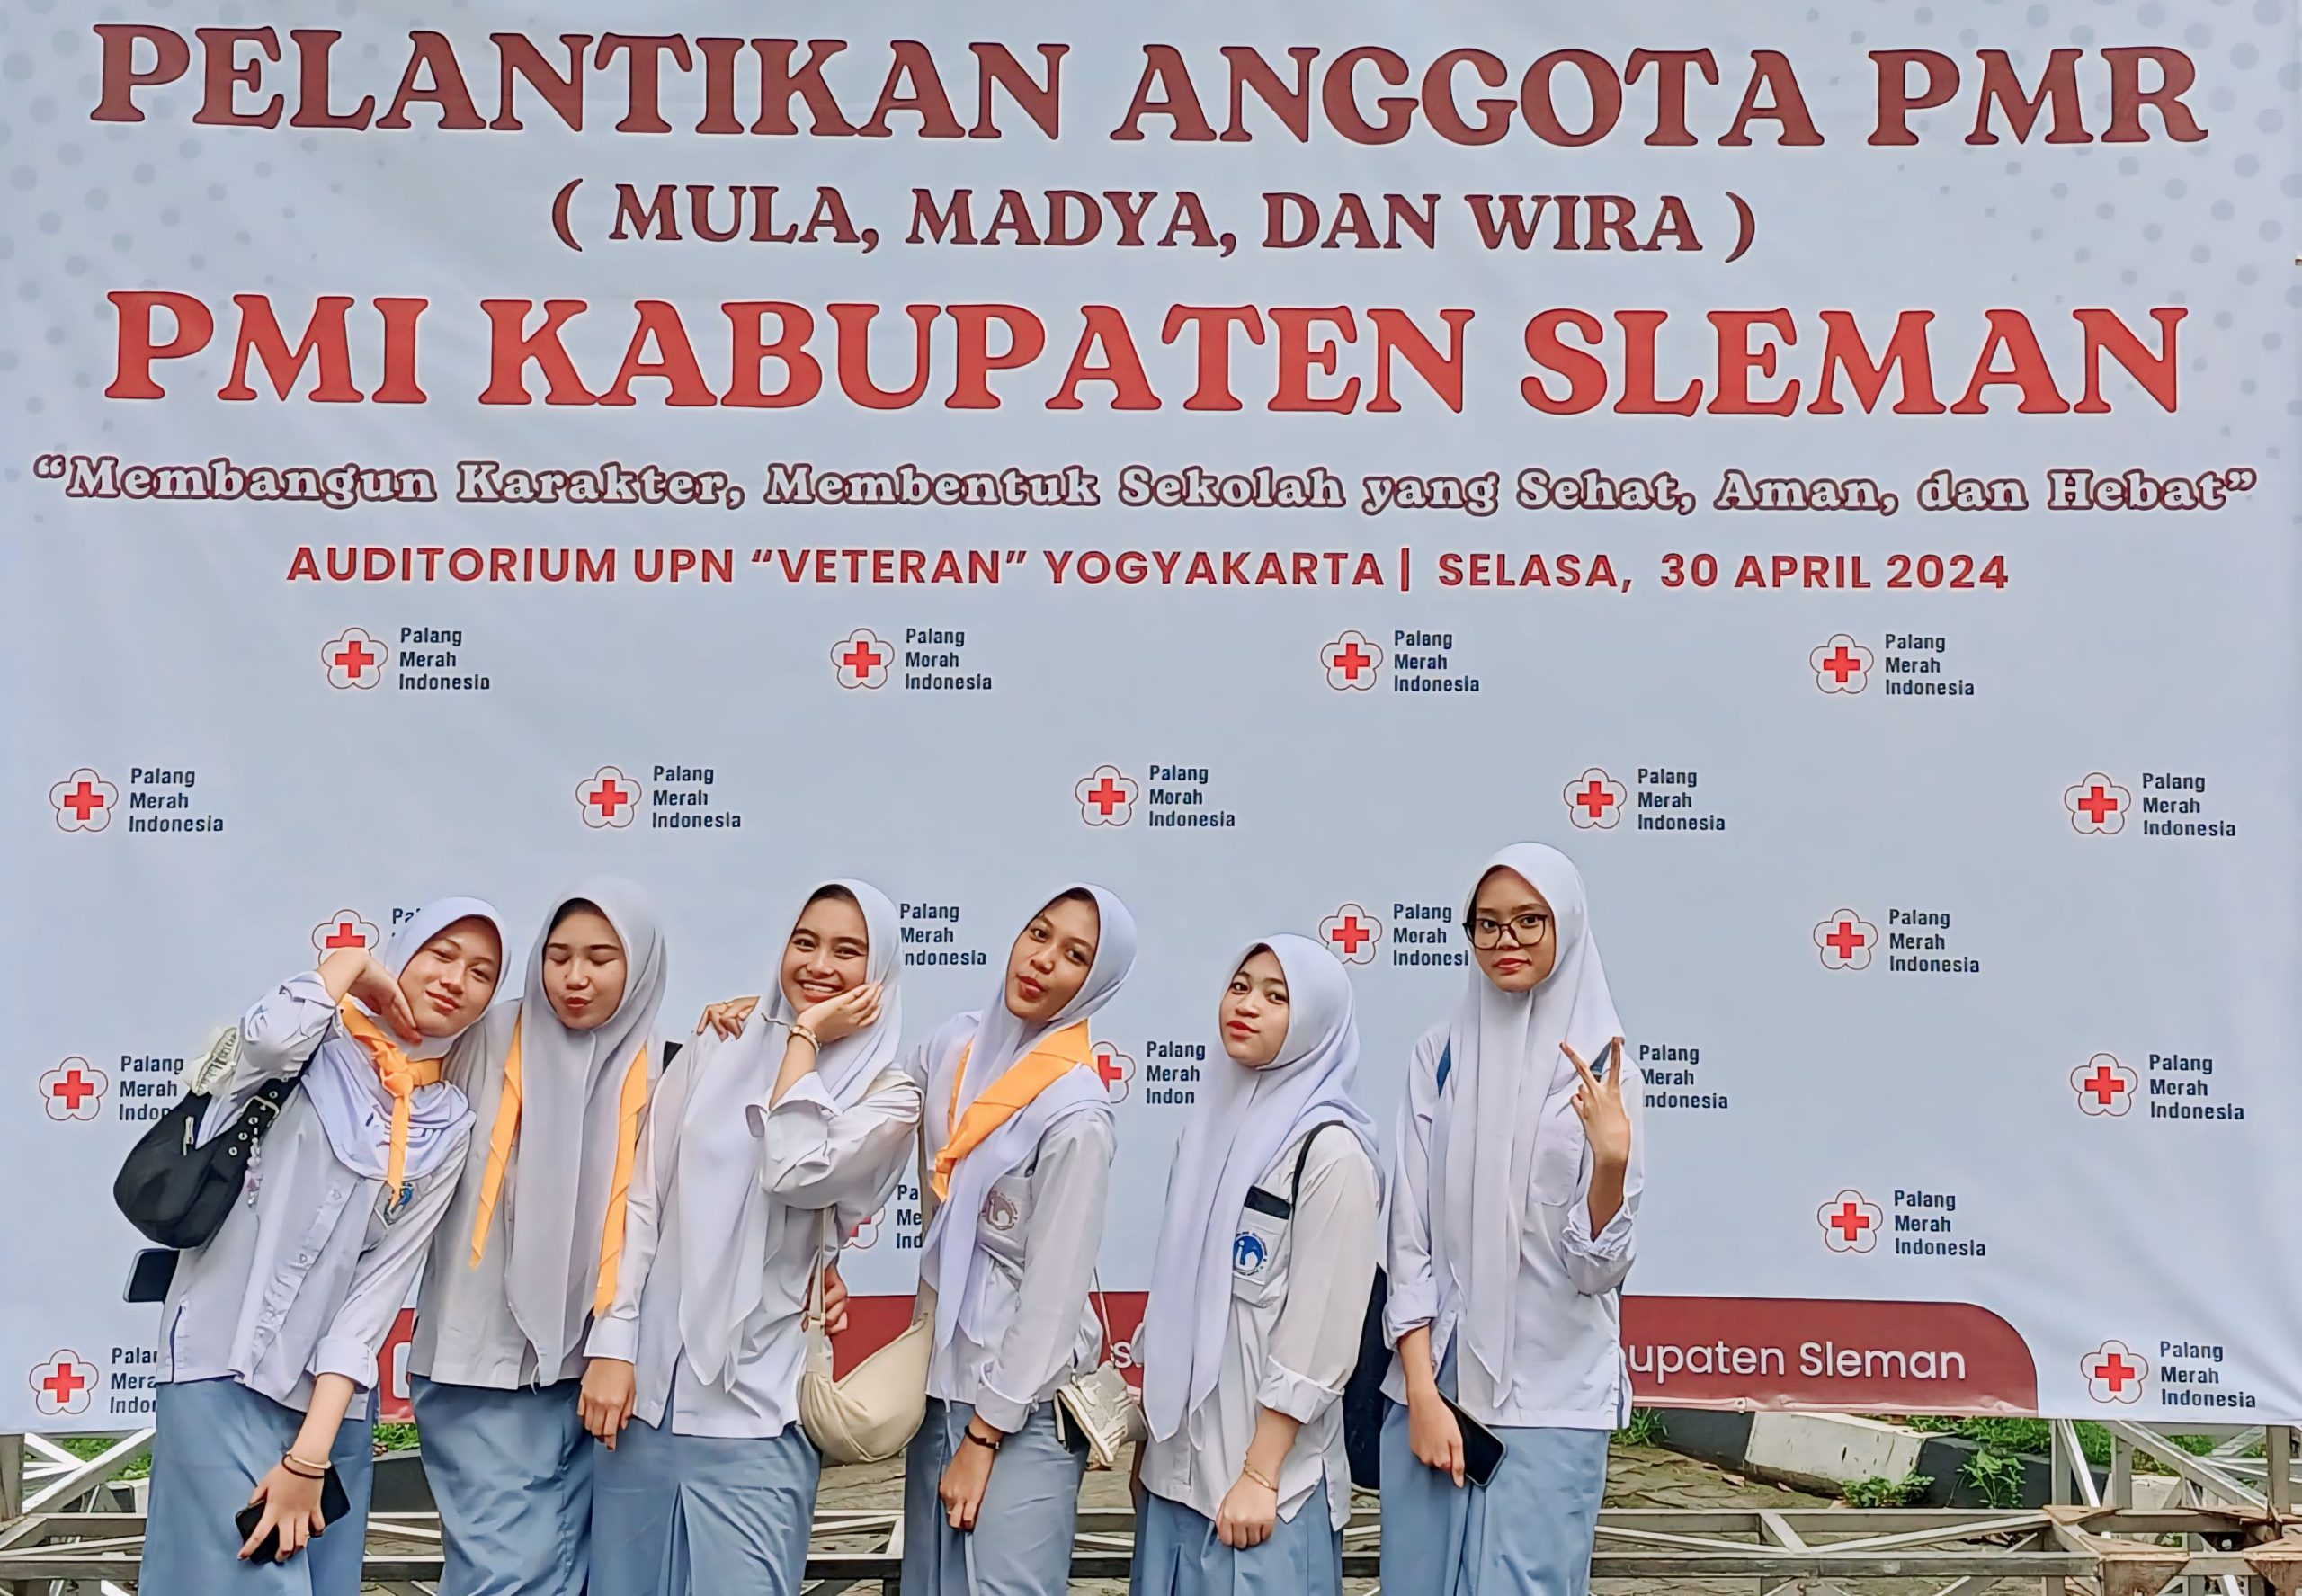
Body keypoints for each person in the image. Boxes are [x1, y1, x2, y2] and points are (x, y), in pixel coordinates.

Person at [140, 899, 504, 1596]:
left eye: (481, 972)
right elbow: (267, 1038)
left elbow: (374, 1297)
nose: (456, 978)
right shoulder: (312, 1047)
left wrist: (311, 1455)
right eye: (441, 953)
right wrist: (352, 964)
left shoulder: (447, 1122)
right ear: (403, 952)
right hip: (219, 1366)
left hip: (328, 1409)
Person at [583, 880, 919, 1596]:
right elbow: (643, 1199)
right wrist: (614, 1343)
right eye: (805, 942)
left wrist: (804, 1039)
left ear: (880, 972)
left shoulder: (889, 1098)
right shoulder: (719, 1043)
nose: (819, 964)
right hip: (644, 1402)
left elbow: (792, 1168)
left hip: (758, 1411)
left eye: (847, 951)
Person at [1379, 843, 1642, 1596]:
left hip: (1553, 1392)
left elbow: (1596, 1271)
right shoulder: (1440, 1056)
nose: (1507, 940)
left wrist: (1612, 1162)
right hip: (1438, 1385)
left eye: (1530, 920)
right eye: (1487, 924)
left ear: (1566, 927)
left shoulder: (1605, 1069)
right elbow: (1409, 1240)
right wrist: (1422, 1391)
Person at [406, 878, 667, 1596]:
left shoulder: (664, 1065)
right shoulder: (482, 1037)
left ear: (640, 964)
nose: (574, 977)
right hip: (478, 1366)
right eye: (558, 956)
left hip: (595, 1378)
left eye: (600, 958)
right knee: (506, 1576)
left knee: (575, 1575)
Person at [899, 885, 1138, 1596]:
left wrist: (985, 1436)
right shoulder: (955, 1050)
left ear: (1096, 983)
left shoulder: (1076, 1114)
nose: (1043, 960)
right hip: (937, 1389)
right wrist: (784, 1034)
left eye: (1075, 955)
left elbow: (1052, 1299)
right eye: (1039, 934)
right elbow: (870, 1115)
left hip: (1019, 1412)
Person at [1132, 935, 1381, 1596]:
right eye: (1240, 987)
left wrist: (1261, 1473)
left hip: (1265, 1493)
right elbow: (1178, 1299)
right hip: (1175, 1480)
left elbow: (1319, 1336)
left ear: (1317, 1022)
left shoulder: (1332, 1154)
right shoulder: (1203, 1135)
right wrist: (1153, 1449)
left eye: (1277, 997)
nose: (1247, 1005)